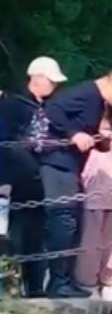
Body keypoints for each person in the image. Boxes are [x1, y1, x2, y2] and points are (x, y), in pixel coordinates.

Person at [38, 67, 112, 298]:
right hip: (58, 163)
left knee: (71, 221)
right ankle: (57, 283)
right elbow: (52, 108)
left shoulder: (98, 102)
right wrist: (73, 134)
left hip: (71, 165)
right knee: (63, 221)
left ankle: (63, 280)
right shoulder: (86, 93)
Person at [0, 57, 67, 296]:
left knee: (35, 237)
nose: (54, 86)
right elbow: (3, 140)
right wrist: (3, 179)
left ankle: (35, 288)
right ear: (36, 78)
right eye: (50, 81)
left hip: (37, 182)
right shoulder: (12, 105)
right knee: (11, 237)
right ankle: (10, 288)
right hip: (12, 183)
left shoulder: (48, 107)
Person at [75, 116, 112, 301]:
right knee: (90, 246)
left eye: (109, 129)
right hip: (91, 205)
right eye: (102, 129)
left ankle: (110, 281)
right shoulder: (88, 153)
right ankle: (88, 283)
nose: (106, 134)